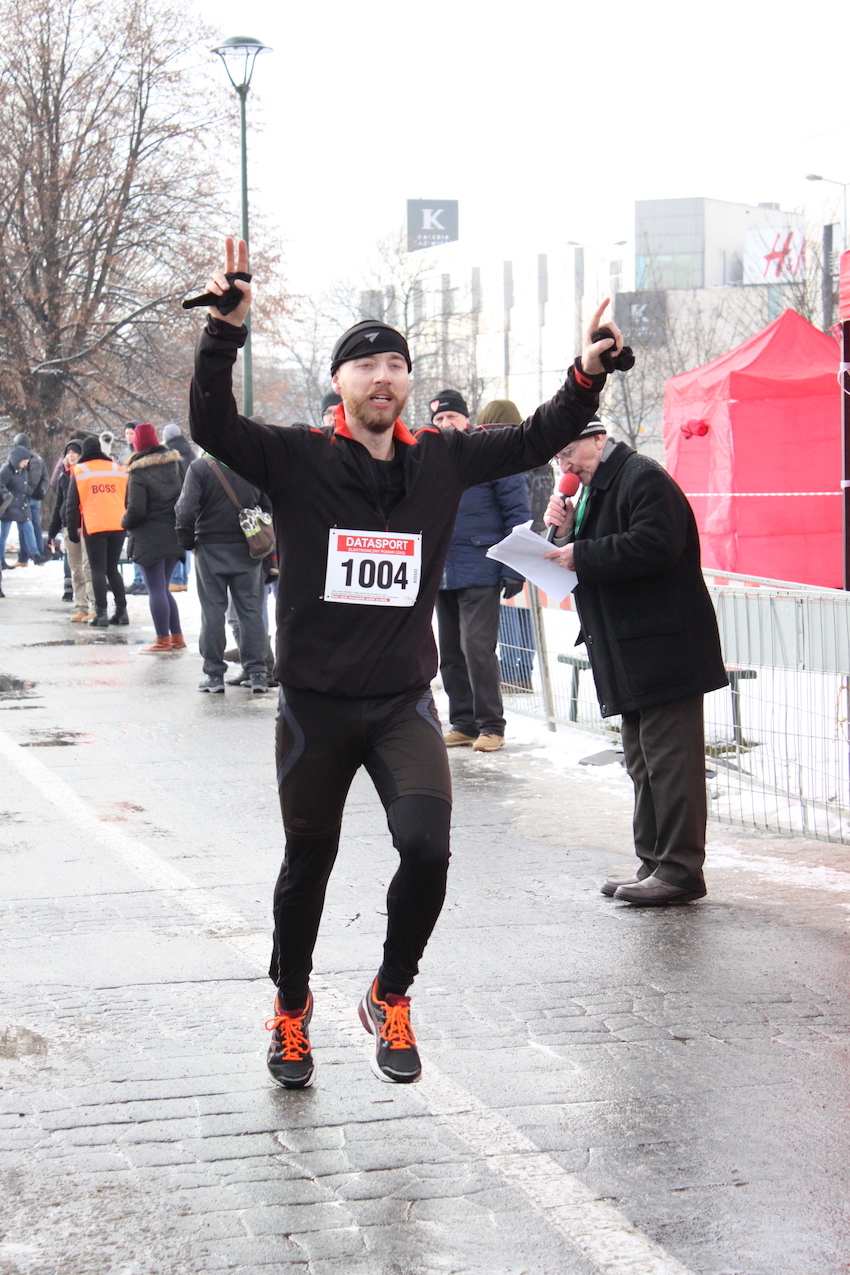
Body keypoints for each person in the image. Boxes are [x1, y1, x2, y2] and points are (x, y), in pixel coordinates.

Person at [189, 236, 618, 1090]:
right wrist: (225, 333)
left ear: (408, 383)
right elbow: (212, 425)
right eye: (366, 365)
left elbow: (536, 435)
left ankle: (390, 992)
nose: (382, 377)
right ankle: (290, 1007)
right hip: (315, 705)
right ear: (340, 382)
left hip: (399, 703)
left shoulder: (441, 461)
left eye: (395, 365)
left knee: (426, 849)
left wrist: (586, 376)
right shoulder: (297, 457)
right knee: (308, 862)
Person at [543, 421, 727, 906]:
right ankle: (653, 862)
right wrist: (565, 531)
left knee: (671, 764)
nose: (565, 464)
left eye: (569, 451)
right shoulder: (597, 489)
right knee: (643, 761)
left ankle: (680, 870)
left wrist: (581, 552)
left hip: (663, 648)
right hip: (630, 649)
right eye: (558, 458)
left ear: (598, 439)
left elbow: (655, 545)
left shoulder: (642, 477)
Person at [432, 390, 531, 752]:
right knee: (450, 653)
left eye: (451, 417)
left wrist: (514, 567)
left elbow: (517, 513)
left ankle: (491, 725)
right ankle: (463, 723)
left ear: (466, 419)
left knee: (476, 648)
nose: (445, 424)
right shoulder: (430, 458)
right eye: (439, 419)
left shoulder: (490, 454)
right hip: (441, 571)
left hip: (481, 565)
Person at [174, 453, 270, 692]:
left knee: (212, 611)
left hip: (210, 547)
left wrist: (187, 541)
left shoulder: (200, 468)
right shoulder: (252, 464)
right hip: (248, 546)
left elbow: (185, 510)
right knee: (251, 611)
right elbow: (268, 507)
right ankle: (257, 672)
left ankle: (214, 674)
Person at [477, 398, 553, 692]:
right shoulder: (536, 454)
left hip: (506, 539)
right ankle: (523, 671)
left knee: (508, 607)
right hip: (535, 537)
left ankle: (510, 673)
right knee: (526, 609)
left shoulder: (502, 454)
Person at [122, 422, 187, 652]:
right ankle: (177, 638)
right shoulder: (175, 465)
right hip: (174, 533)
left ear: (137, 445)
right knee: (164, 589)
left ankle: (162, 640)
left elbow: (136, 510)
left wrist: (124, 523)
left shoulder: (138, 472)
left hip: (149, 538)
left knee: (156, 590)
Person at [65, 436, 129, 627]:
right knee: (112, 569)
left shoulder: (80, 470)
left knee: (98, 570)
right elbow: (127, 498)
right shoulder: (117, 469)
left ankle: (101, 613)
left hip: (95, 525)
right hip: (118, 524)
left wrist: (72, 530)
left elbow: (71, 504)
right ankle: (122, 611)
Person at [46, 440, 96, 622]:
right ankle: (81, 606)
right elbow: (58, 505)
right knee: (75, 568)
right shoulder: (63, 477)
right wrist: (52, 532)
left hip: (86, 524)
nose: (72, 455)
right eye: (69, 452)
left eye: (75, 452)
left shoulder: (88, 473)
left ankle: (95, 606)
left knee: (88, 567)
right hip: (69, 525)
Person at [161, 424, 196, 592]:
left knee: (177, 537)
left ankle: (176, 579)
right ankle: (183, 577)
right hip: (191, 497)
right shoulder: (190, 451)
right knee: (186, 536)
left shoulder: (169, 453)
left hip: (176, 498)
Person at [0, 445, 45, 567]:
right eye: (25, 460)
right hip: (8, 506)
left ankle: (36, 554)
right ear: (18, 459)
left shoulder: (23, 471)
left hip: (21, 505)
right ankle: (1, 560)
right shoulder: (6, 470)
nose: (26, 463)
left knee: (29, 528)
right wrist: (6, 495)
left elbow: (24, 488)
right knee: (3, 534)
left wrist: (34, 493)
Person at [12, 433, 48, 559]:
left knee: (23, 527)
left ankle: (24, 555)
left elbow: (18, 480)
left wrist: (29, 491)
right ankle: (40, 553)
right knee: (36, 526)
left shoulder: (18, 459)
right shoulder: (39, 458)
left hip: (24, 498)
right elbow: (45, 478)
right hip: (36, 498)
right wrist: (41, 491)